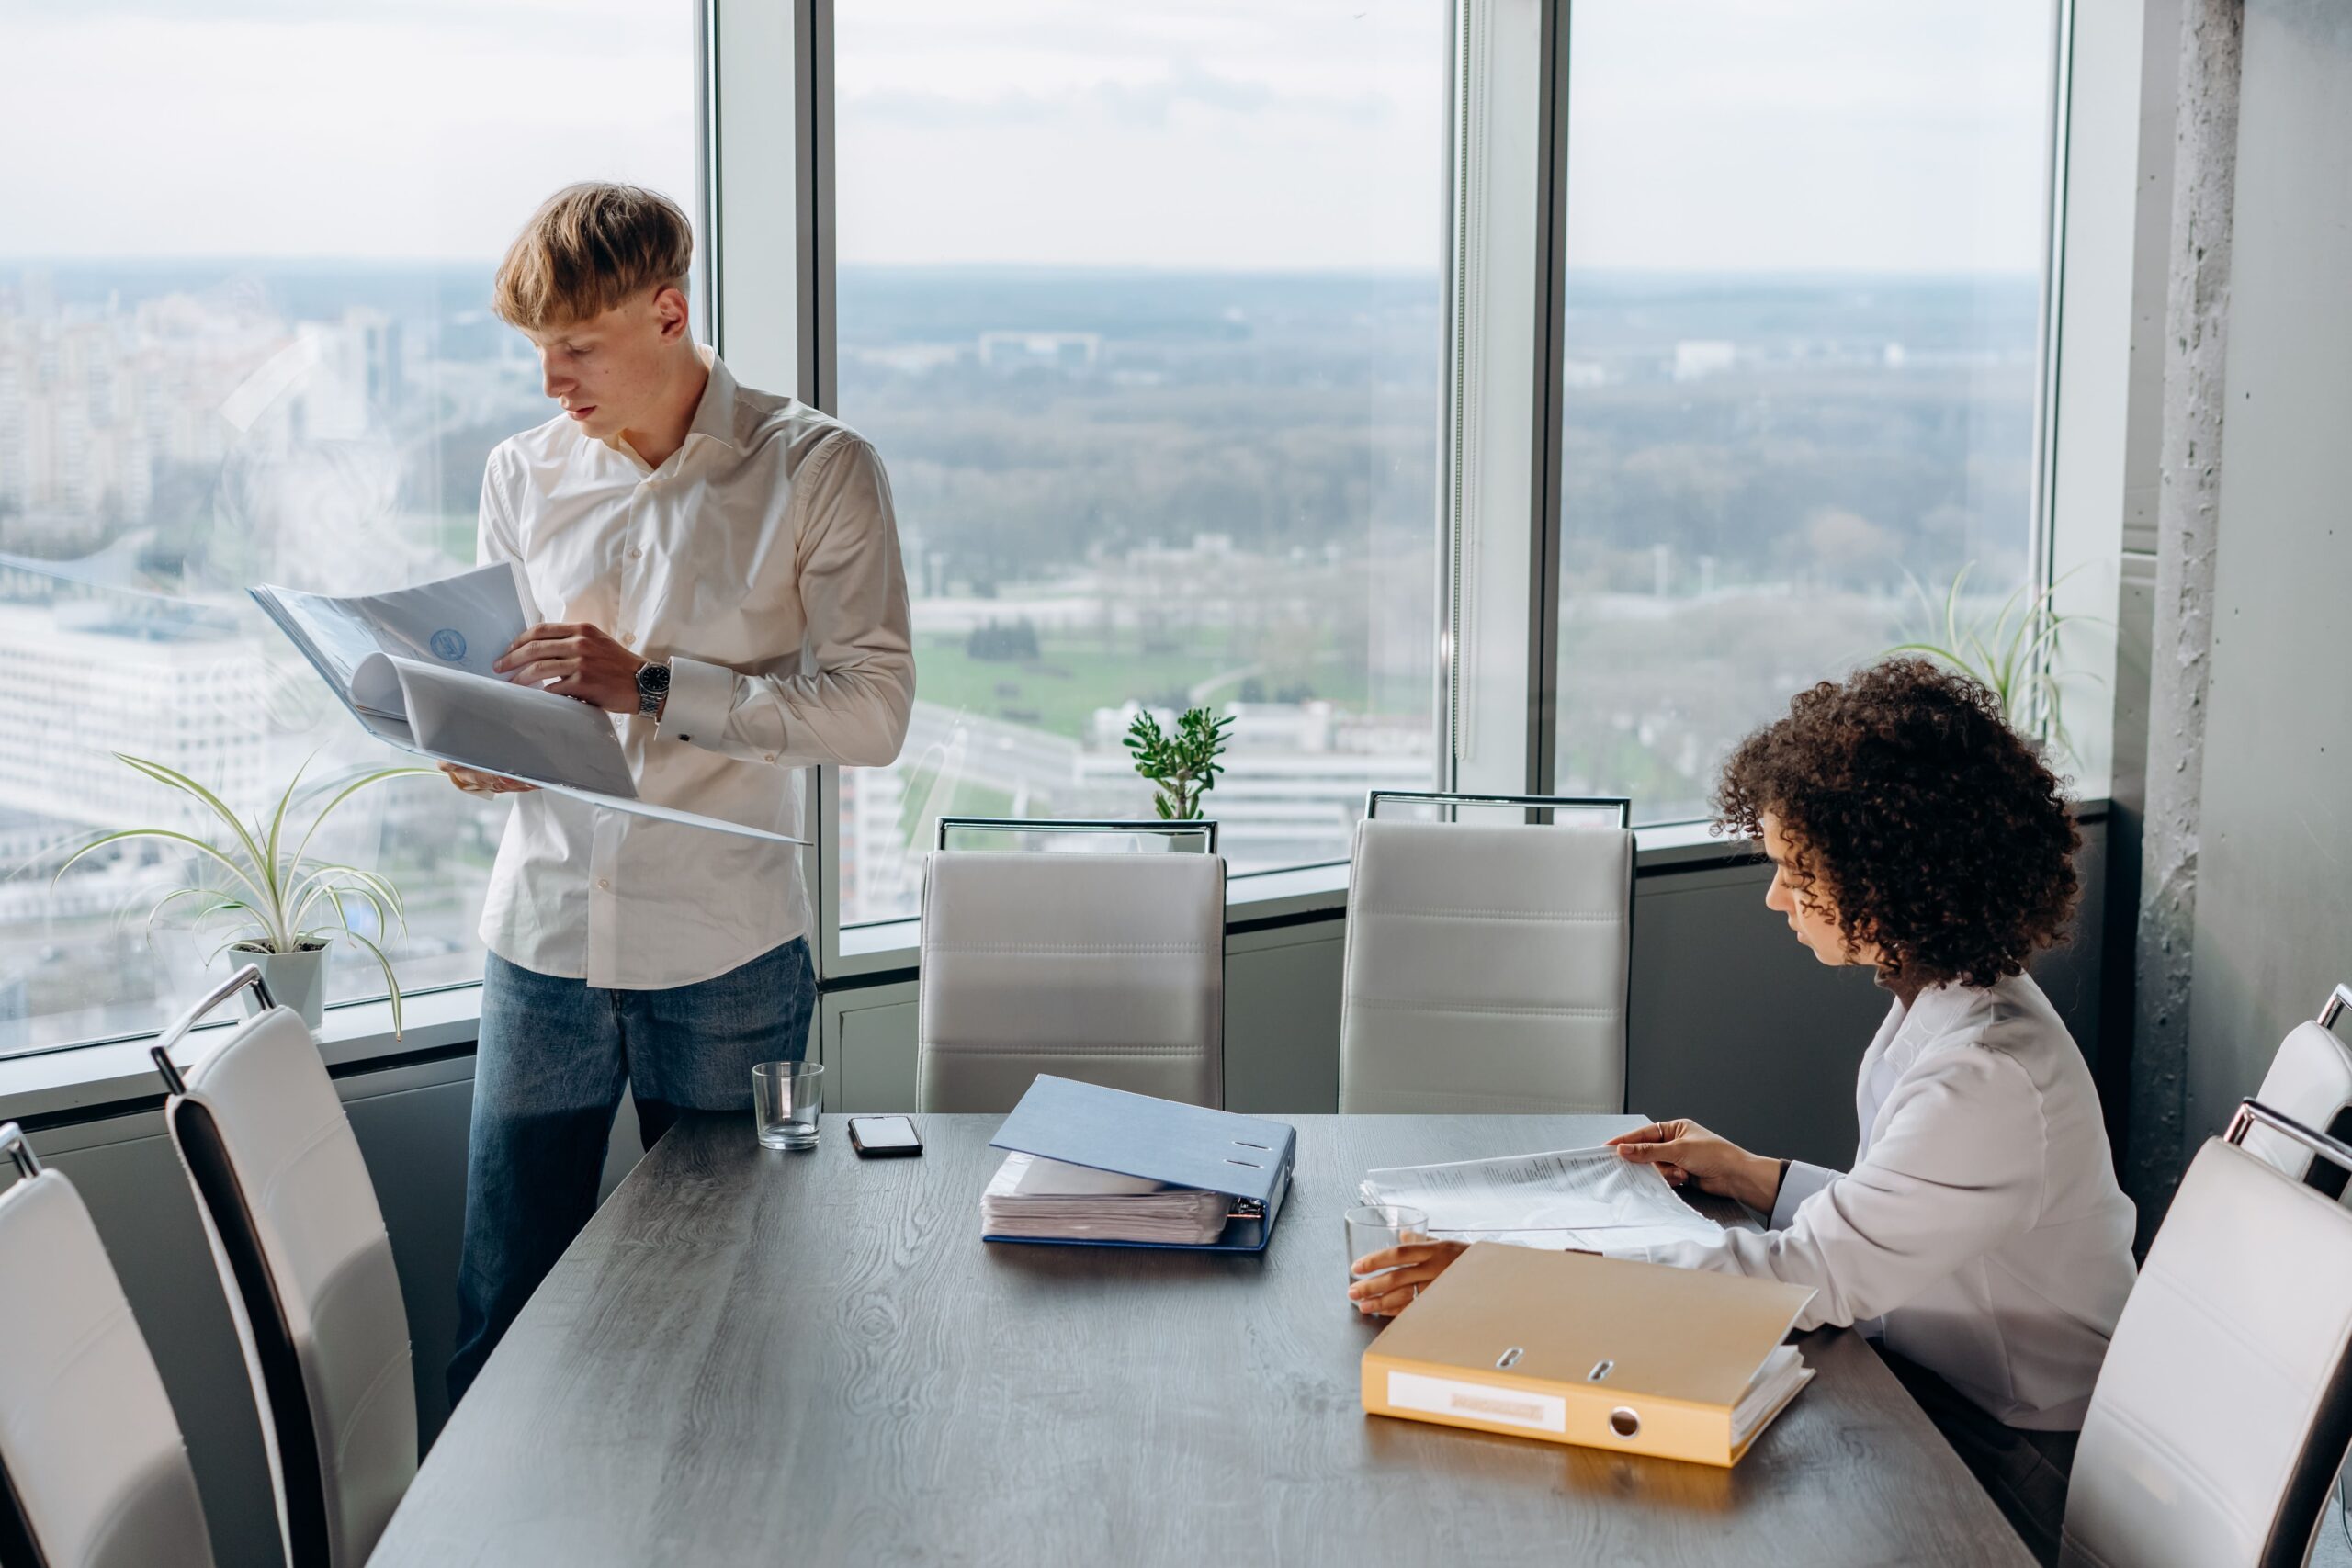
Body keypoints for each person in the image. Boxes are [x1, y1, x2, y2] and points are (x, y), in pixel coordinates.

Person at [1347, 658, 2135, 1564]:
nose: (1775, 898)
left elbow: (1798, 1281)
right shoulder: (1951, 998)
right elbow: (1904, 1216)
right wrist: (1758, 1177)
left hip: (2011, 1456)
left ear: (1895, 879)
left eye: (1799, 874)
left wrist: (1502, 1278)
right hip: (1937, 1381)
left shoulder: (1987, 1078)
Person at [443, 183, 914, 1403]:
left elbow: (873, 710)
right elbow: (528, 693)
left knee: (739, 1306)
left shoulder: (818, 469)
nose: (553, 381)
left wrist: (654, 684)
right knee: (502, 1305)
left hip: (727, 948)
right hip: (540, 935)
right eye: (538, 350)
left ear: (668, 310)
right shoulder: (521, 473)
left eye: (577, 346)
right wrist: (480, 740)